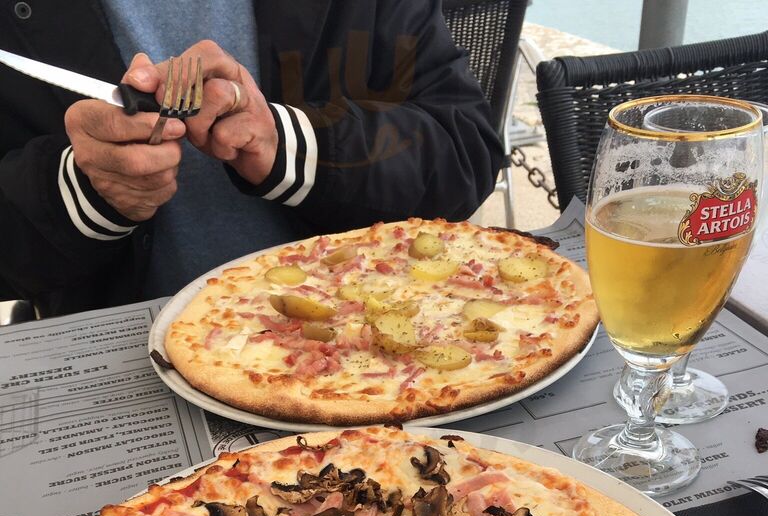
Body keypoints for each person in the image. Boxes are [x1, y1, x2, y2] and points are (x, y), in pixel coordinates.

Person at [0, 2, 505, 318]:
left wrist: (287, 145)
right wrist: (83, 192)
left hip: (379, 339)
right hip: (121, 368)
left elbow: (466, 151)